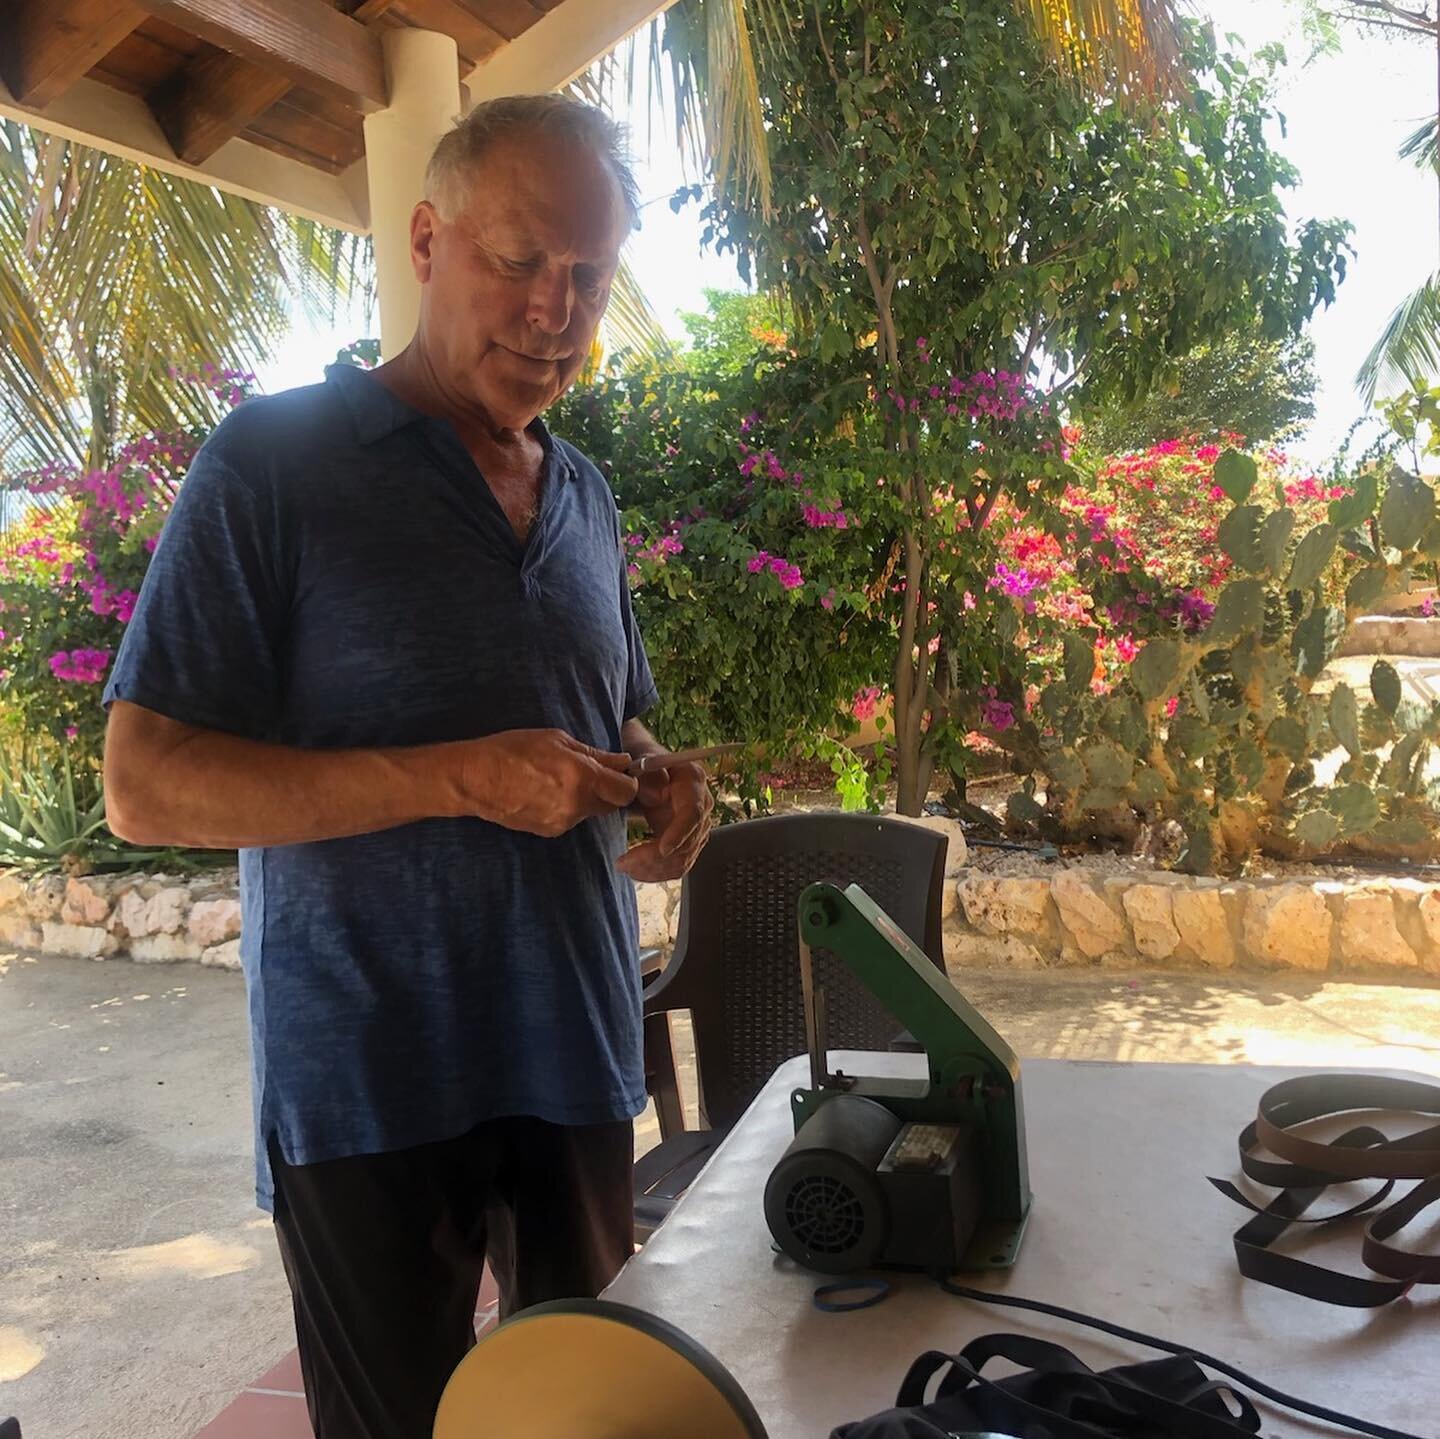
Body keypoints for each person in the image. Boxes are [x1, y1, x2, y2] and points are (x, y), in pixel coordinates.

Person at [102, 95, 713, 1439]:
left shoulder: (590, 496)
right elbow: (145, 783)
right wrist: (456, 778)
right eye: (520, 262)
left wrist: (661, 783)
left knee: (595, 1418)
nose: (556, 310)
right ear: (428, 241)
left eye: (588, 277)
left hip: (576, 1050)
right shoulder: (273, 464)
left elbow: (623, 719)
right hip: (368, 1073)